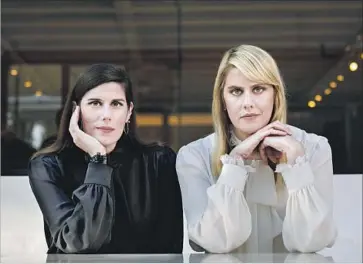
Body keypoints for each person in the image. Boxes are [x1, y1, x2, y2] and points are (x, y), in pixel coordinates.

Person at [176, 45, 337, 254]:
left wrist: (297, 163)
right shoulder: (194, 156)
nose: (248, 103)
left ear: (275, 94)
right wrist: (233, 167)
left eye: (258, 89)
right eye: (236, 91)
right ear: (223, 100)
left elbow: (313, 242)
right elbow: (213, 242)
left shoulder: (314, 148)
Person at [28, 64, 184, 254]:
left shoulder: (160, 162)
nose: (106, 115)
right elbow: (78, 241)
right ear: (76, 110)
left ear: (129, 112)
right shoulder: (48, 166)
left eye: (117, 104)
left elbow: (170, 250)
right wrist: (98, 161)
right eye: (95, 103)